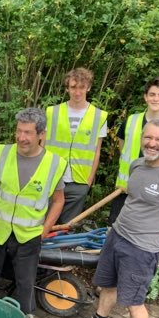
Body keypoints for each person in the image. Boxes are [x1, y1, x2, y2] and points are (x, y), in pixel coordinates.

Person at [69, 119, 159, 318]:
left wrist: (157, 247)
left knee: (134, 301)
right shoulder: (137, 165)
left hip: (142, 249)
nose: (152, 143)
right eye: (148, 137)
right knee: (107, 285)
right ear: (142, 137)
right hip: (117, 236)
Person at [0, 108, 66, 318]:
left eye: (27, 132)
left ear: (41, 135)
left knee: (25, 284)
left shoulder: (55, 163)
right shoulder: (2, 153)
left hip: (28, 236)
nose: (21, 137)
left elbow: (58, 200)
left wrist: (44, 230)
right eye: (18, 131)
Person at [109, 76, 159, 225]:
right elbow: (123, 148)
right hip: (125, 190)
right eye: (152, 94)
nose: (156, 99)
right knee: (114, 232)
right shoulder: (131, 121)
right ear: (145, 97)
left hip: (155, 197)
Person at [45, 68, 107, 224]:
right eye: (73, 87)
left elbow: (96, 152)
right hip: (51, 178)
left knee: (66, 228)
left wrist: (88, 182)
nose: (77, 92)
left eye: (81, 87)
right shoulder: (52, 112)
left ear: (88, 87)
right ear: (67, 88)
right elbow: (42, 144)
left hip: (79, 181)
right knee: (43, 225)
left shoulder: (99, 116)